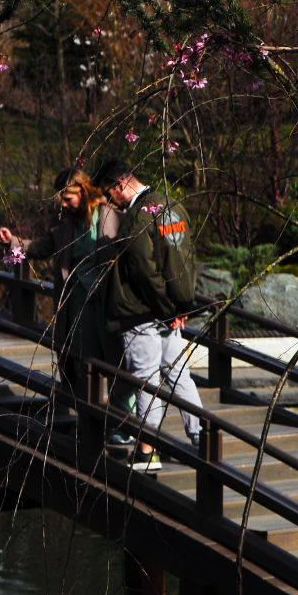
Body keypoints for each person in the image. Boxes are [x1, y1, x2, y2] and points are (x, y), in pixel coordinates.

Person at [94, 158, 204, 470]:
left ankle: (146, 450)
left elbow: (143, 269)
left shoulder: (136, 217)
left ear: (119, 185)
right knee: (178, 374)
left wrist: (167, 309)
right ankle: (202, 436)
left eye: (108, 193)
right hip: (170, 308)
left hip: (141, 310)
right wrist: (182, 304)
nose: (109, 201)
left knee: (146, 379)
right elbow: (182, 259)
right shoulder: (171, 205)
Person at [0, 168, 120, 398]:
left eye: (67, 198)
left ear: (83, 192)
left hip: (103, 300)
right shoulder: (65, 221)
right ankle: (83, 409)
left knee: (109, 360)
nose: (63, 204)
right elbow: (42, 248)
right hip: (74, 300)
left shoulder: (109, 214)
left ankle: (111, 413)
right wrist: (12, 242)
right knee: (78, 359)